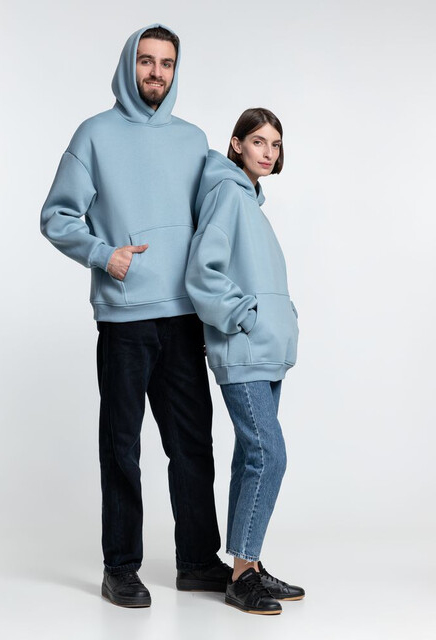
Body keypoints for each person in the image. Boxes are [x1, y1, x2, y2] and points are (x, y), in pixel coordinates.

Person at [40, 24, 230, 609]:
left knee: (193, 444)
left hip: (184, 317)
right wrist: (104, 254)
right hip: (124, 320)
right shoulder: (94, 134)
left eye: (166, 64)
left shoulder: (193, 139)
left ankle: (198, 561)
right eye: (147, 61)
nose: (156, 73)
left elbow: (221, 210)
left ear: (176, 70)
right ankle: (120, 567)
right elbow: (56, 216)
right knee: (122, 445)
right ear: (129, 64)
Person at [185, 108, 305, 615]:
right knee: (268, 455)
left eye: (275, 144)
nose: (268, 151)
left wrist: (282, 318)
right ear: (236, 144)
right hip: (244, 349)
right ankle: (241, 577)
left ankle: (247, 564)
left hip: (267, 351)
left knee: (251, 457)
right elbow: (202, 271)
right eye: (258, 141)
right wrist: (245, 316)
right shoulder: (227, 195)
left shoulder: (252, 202)